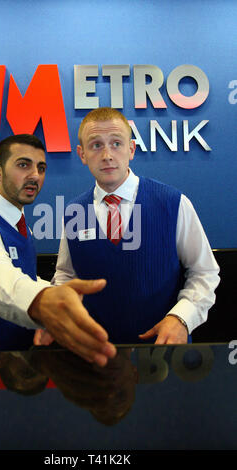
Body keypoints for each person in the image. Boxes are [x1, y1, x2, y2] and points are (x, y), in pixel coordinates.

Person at [50, 107, 220, 345]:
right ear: (82, 154)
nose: (107, 155)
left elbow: (204, 272)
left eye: (116, 143)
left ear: (131, 149)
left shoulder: (173, 202)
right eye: (96, 145)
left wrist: (182, 319)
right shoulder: (73, 212)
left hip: (165, 354)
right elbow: (66, 275)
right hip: (96, 354)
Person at [0, 134, 116, 366]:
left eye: (41, 168)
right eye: (23, 165)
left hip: (27, 364)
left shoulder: (19, 224)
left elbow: (21, 275)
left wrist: (52, 291)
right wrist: (42, 301)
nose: (35, 176)